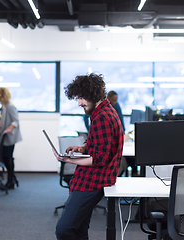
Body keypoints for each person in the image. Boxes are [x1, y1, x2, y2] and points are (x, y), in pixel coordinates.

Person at [53, 73, 124, 239]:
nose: (79, 103)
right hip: (92, 178)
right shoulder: (104, 112)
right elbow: (102, 144)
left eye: (81, 98)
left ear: (92, 95)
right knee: (78, 230)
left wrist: (68, 159)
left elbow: (99, 159)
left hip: (92, 181)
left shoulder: (102, 117)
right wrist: (83, 147)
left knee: (64, 230)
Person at [0, 87, 22, 190]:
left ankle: (10, 181)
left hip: (9, 137)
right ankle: (12, 178)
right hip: (3, 137)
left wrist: (9, 128)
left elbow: (15, 121)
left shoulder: (10, 106)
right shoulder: (3, 106)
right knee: (5, 158)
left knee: (7, 158)